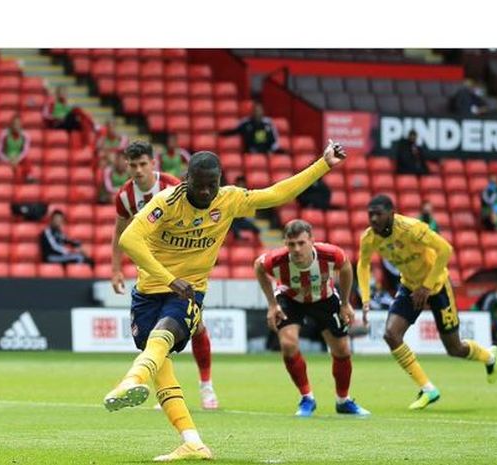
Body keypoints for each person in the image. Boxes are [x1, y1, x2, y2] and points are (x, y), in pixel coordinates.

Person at [103, 140, 346, 461]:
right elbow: (129, 238)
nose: (206, 192)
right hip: (150, 290)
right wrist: (168, 278)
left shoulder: (229, 199)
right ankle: (192, 441)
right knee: (160, 361)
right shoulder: (167, 201)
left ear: (219, 181)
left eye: (212, 185)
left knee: (162, 336)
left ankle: (132, 379)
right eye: (200, 186)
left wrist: (323, 164)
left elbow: (277, 194)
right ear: (187, 180)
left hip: (190, 290)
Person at [357, 195, 497, 410]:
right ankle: (428, 389)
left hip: (438, 286)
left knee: (454, 348)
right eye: (370, 214)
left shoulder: (412, 228)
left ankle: (489, 356)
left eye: (378, 214)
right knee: (391, 335)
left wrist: (427, 286)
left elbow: (445, 249)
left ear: (392, 214)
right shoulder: (369, 238)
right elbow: (363, 265)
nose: (374, 219)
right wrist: (366, 299)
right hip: (409, 287)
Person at [110, 141, 220, 410]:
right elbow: (121, 233)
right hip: (151, 272)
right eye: (133, 165)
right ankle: (167, 390)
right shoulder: (125, 196)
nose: (138, 170)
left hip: (181, 271)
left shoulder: (173, 188)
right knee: (155, 336)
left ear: (153, 163)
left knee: (196, 327)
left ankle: (206, 386)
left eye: (142, 164)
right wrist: (115, 268)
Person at [254, 219, 370, 417]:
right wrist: (272, 304)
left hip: (324, 298)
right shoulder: (277, 260)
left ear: (312, 241)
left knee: (342, 350)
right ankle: (307, 398)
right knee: (288, 345)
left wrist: (345, 304)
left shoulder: (330, 254)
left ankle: (343, 400)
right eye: (291, 244)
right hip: (290, 299)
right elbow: (259, 267)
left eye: (301, 243)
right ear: (285, 244)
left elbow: (346, 268)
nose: (296, 249)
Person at [0, 114, 35, 184]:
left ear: (21, 125)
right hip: (6, 156)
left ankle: (29, 177)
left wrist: (17, 159)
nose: (16, 126)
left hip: (18, 157)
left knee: (27, 160)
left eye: (18, 124)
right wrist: (7, 160)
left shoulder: (25, 135)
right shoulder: (4, 134)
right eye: (14, 124)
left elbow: (25, 151)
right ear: (11, 124)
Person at [229, 176, 262, 243]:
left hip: (241, 220)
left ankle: (256, 245)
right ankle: (238, 238)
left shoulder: (247, 195)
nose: (241, 185)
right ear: (236, 184)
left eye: (243, 184)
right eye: (239, 184)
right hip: (232, 220)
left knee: (257, 229)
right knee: (232, 227)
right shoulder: (231, 195)